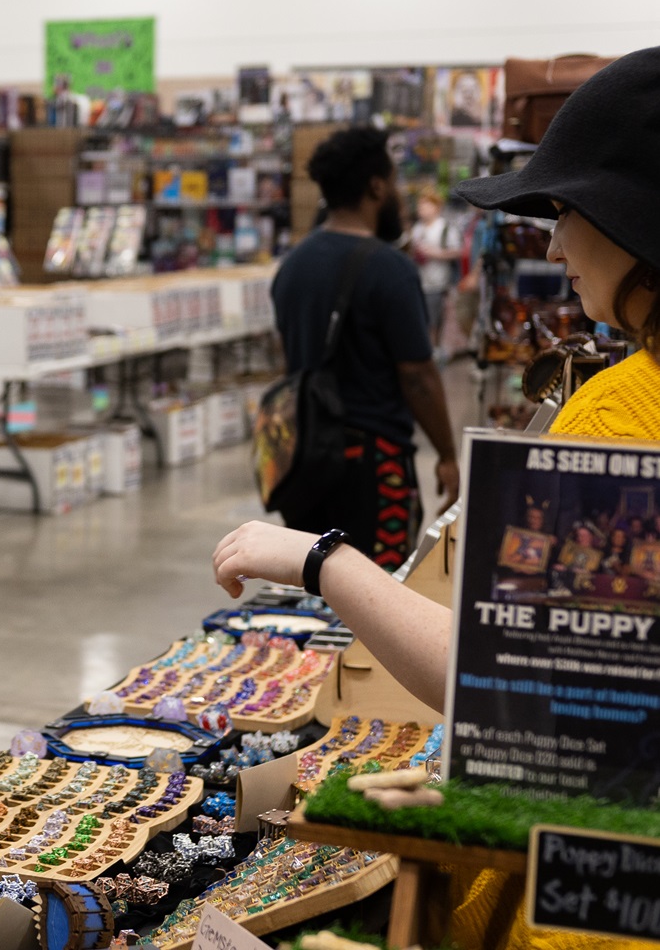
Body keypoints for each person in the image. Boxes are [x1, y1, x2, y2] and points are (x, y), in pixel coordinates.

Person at [214, 47, 660, 950]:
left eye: (566, 210)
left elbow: (506, 692)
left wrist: (320, 561)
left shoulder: (619, 419)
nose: (553, 240)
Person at [269, 126, 460, 570]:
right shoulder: (390, 269)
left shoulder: (292, 266)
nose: (396, 194)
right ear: (376, 185)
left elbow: (290, 356)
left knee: (313, 584)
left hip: (304, 463)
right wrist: (448, 455)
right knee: (377, 594)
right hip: (374, 469)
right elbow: (418, 377)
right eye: (392, 182)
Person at [409, 188, 462, 361]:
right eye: (420, 206)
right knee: (421, 320)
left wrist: (435, 253)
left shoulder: (445, 228)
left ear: (436, 207)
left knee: (433, 321)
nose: (421, 210)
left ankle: (430, 354)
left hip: (438, 282)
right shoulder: (417, 229)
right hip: (419, 281)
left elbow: (457, 252)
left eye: (425, 206)